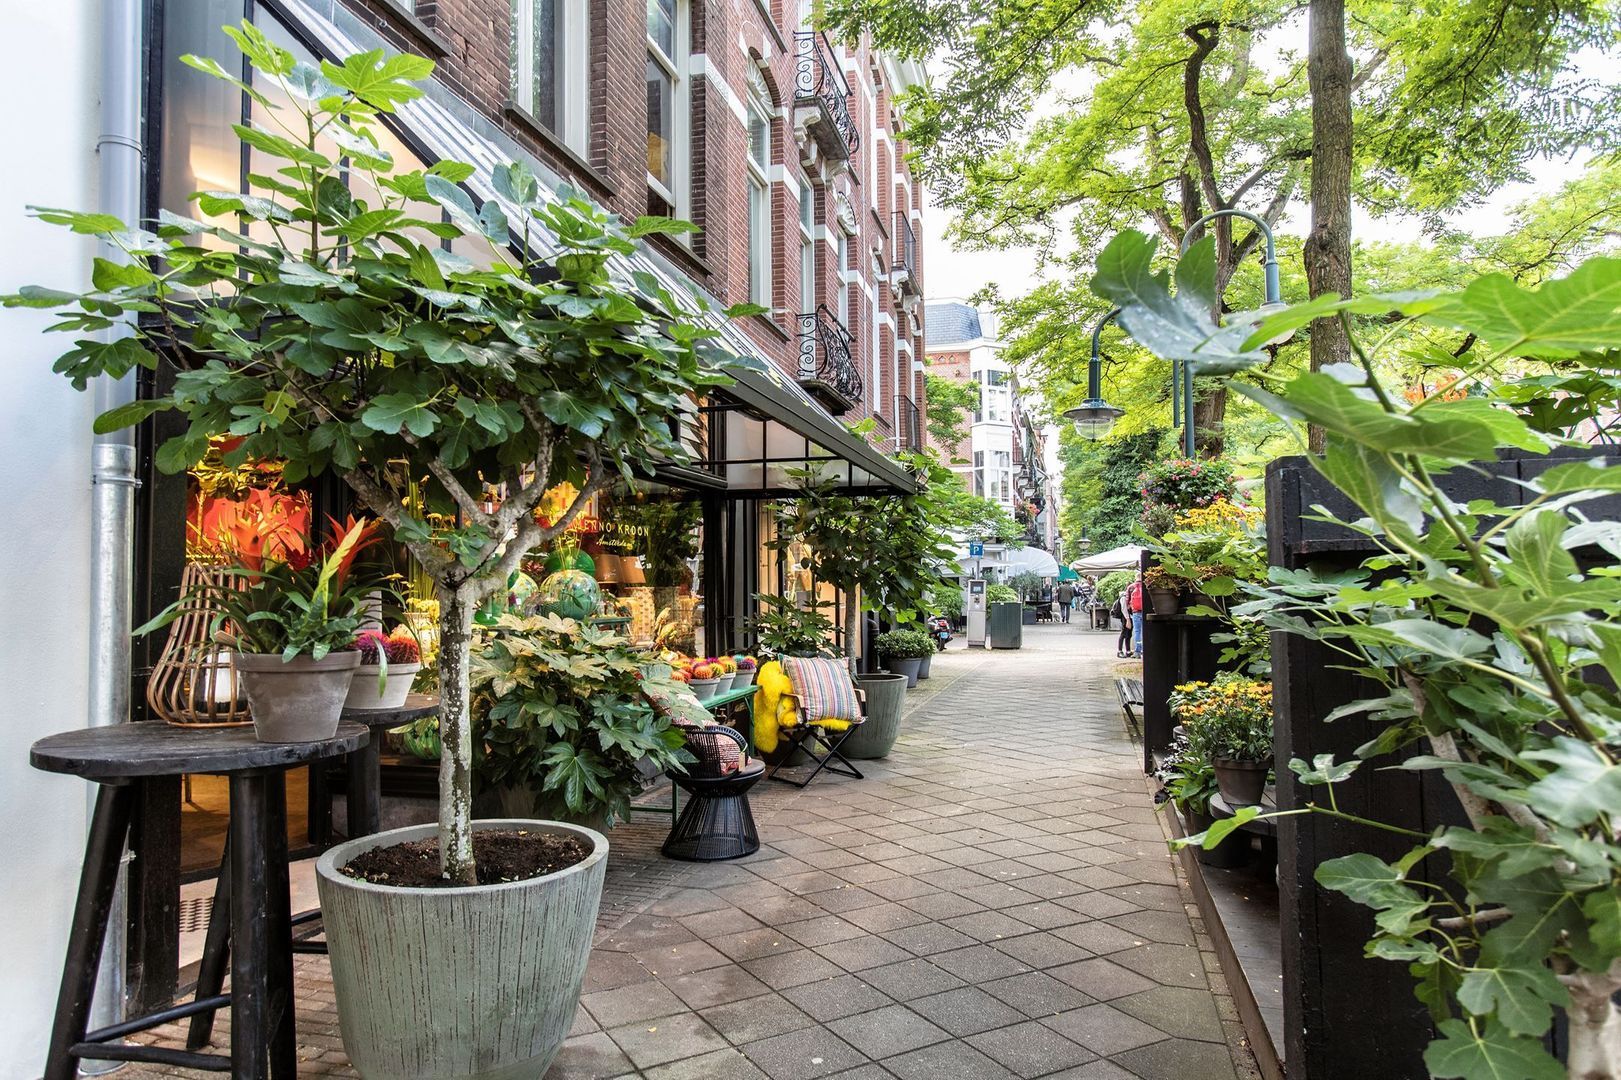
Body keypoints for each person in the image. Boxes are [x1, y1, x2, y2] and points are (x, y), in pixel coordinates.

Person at [1128, 573, 1145, 658]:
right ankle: (1145, 650)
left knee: (1137, 631)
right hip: (1144, 612)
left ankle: (1137, 651)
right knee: (1145, 631)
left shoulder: (1131, 587)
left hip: (1135, 612)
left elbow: (1127, 601)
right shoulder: (1146, 586)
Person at [1115, 587, 1133, 657]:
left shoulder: (1129, 596)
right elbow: (1124, 609)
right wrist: (1128, 619)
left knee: (1129, 634)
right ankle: (1119, 651)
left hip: (1130, 616)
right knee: (1123, 633)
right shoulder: (1123, 597)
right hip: (1125, 617)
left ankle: (1128, 651)